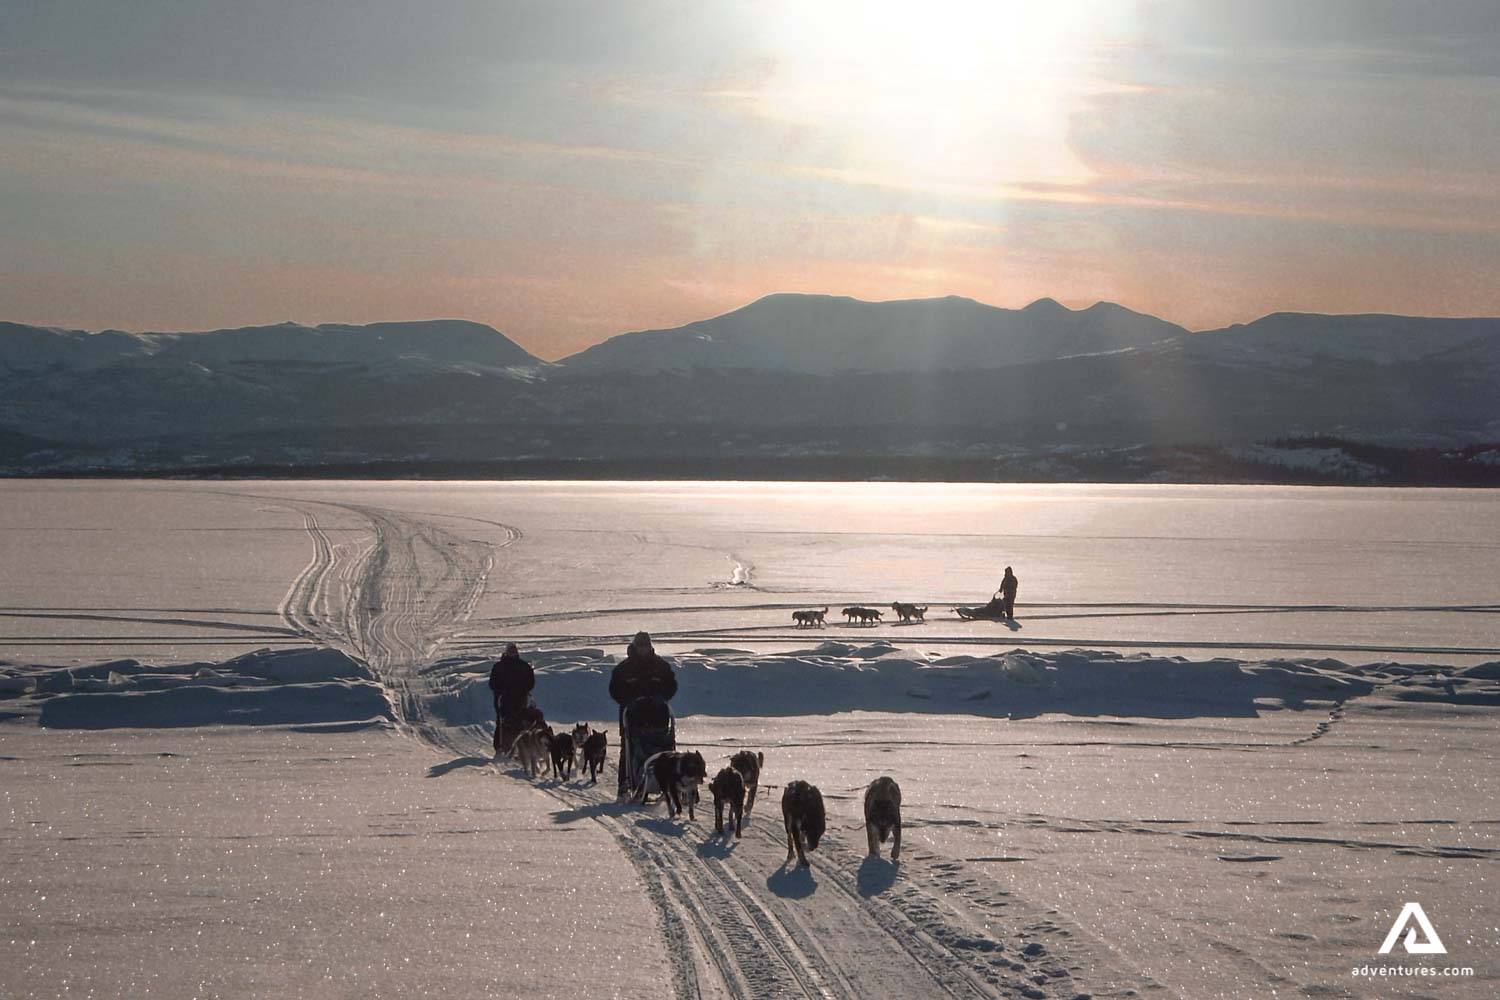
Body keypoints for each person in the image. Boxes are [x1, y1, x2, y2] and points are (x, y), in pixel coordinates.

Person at [609, 631, 678, 793]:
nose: (643, 649)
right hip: (633, 716)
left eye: (645, 646)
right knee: (629, 748)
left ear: (650, 646)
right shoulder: (624, 668)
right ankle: (624, 783)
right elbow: (614, 689)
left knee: (663, 747)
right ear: (635, 646)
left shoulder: (660, 666)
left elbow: (672, 685)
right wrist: (627, 700)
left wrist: (663, 696)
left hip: (658, 716)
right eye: (640, 646)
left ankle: (666, 780)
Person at [488, 643, 535, 756]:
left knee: (519, 722)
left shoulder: (524, 666)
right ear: (506, 652)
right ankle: (500, 747)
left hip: (520, 698)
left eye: (514, 650)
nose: (513, 652)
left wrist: (524, 689)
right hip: (503, 699)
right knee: (502, 722)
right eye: (511, 650)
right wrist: (501, 690)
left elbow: (531, 681)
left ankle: (518, 747)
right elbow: (493, 683)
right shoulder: (499, 666)